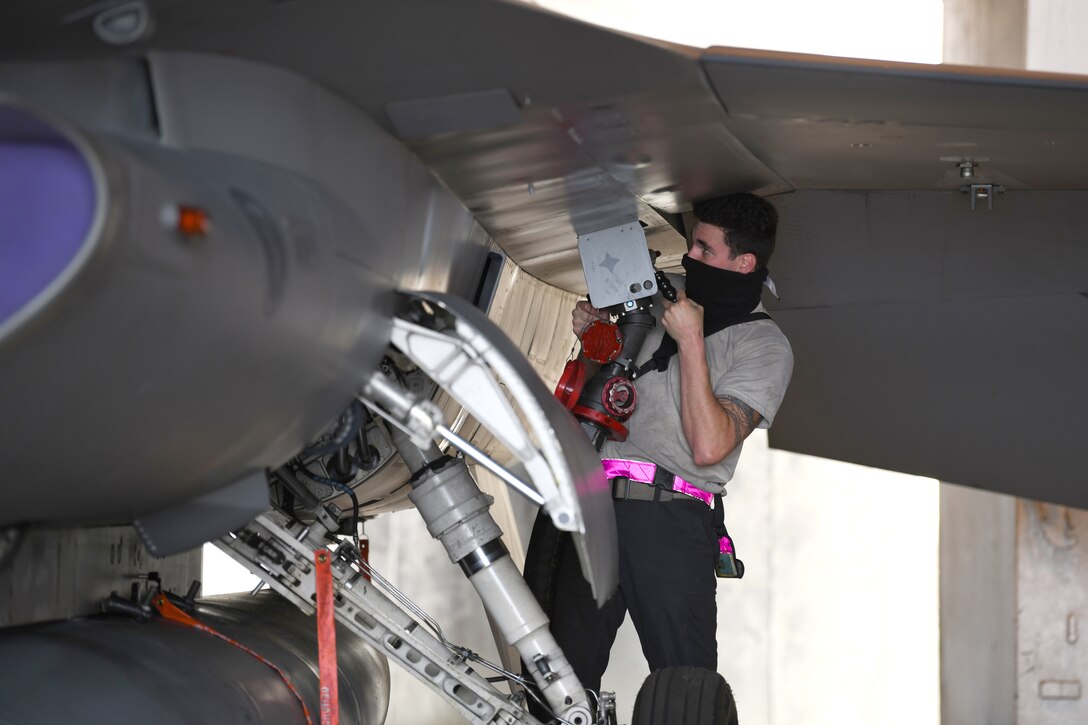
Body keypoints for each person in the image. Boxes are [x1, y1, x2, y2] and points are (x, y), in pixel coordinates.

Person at [547, 192, 794, 696]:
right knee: (556, 684)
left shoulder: (764, 346)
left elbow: (710, 447)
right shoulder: (658, 295)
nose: (689, 259)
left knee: (687, 690)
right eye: (691, 247)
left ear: (743, 262)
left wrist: (691, 341)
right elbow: (600, 393)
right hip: (592, 506)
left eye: (704, 249)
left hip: (670, 518)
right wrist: (594, 336)